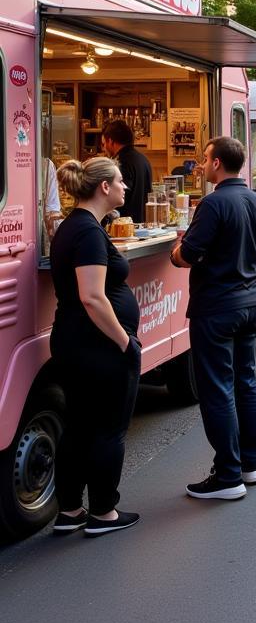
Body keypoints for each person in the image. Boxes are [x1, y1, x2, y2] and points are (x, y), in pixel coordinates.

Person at [171, 136, 256, 500]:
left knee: (217, 388)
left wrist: (176, 251)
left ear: (216, 163)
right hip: (250, 301)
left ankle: (227, 475)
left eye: (205, 158)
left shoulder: (212, 204)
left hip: (216, 306)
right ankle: (248, 463)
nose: (201, 164)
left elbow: (188, 255)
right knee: (246, 381)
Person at [49, 157, 141, 537]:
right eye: (120, 181)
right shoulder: (87, 232)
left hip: (75, 341)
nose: (126, 187)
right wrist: (125, 342)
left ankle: (69, 510)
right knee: (107, 429)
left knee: (79, 426)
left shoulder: (78, 227)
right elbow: (92, 297)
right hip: (97, 345)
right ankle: (103, 512)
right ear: (104, 187)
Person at [101, 119, 152, 225]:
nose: (104, 148)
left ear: (110, 141)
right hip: (142, 225)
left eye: (104, 143)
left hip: (123, 226)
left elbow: (117, 198)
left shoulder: (120, 163)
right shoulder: (143, 159)